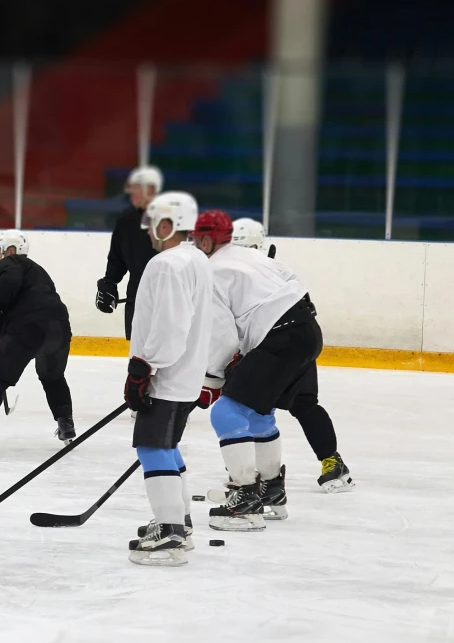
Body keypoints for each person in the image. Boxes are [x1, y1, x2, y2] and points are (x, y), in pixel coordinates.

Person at [191, 209, 323, 530]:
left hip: (279, 338)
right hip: (307, 331)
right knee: (257, 413)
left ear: (206, 239)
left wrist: (212, 379)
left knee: (226, 413)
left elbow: (222, 336)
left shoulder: (211, 271)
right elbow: (291, 279)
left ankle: (247, 500)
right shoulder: (252, 257)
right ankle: (272, 492)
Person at [120, 191, 216, 566]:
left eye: (152, 225)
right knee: (168, 445)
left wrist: (144, 368)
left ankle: (172, 532)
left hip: (167, 374)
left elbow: (169, 323)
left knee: (151, 447)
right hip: (187, 374)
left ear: (166, 225)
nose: (148, 233)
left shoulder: (167, 264)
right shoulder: (197, 260)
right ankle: (181, 521)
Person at [232, 217, 353, 491]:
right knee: (303, 404)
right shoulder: (274, 267)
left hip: (277, 344)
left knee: (247, 404)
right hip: (301, 337)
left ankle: (259, 474)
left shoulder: (236, 271)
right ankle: (331, 461)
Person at [0, 228, 75, 452]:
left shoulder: (9, 263)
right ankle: (66, 427)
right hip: (59, 327)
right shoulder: (38, 271)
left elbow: (8, 290)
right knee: (53, 377)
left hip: (29, 327)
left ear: (11, 250)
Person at [96, 164, 161, 336]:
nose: (132, 192)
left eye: (137, 188)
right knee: (137, 351)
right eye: (132, 188)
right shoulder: (127, 218)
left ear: (152, 189)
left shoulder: (169, 217)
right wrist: (109, 282)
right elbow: (117, 255)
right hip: (137, 291)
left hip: (167, 292)